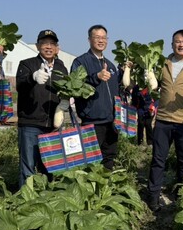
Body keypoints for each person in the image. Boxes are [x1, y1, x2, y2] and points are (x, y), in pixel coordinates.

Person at [145, 29, 183, 212]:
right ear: (172, 44)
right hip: (163, 119)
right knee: (158, 159)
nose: (181, 44)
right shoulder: (163, 63)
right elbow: (152, 86)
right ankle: (153, 197)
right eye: (178, 41)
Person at [16, 30, 68, 187]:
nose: (49, 47)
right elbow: (20, 85)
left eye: (52, 44)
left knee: (50, 166)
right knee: (28, 167)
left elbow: (66, 90)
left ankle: (47, 199)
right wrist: (32, 78)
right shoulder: (27, 64)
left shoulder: (61, 68)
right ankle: (25, 201)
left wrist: (67, 101)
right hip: (31, 124)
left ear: (57, 48)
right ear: (38, 46)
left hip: (53, 125)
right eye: (45, 43)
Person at [71, 24, 121, 170]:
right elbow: (75, 86)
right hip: (92, 121)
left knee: (109, 157)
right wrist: (95, 77)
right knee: (89, 161)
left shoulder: (110, 65)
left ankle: (105, 190)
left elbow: (116, 92)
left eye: (104, 38)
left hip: (111, 122)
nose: (101, 40)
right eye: (97, 37)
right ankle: (89, 191)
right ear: (89, 40)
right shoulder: (80, 62)